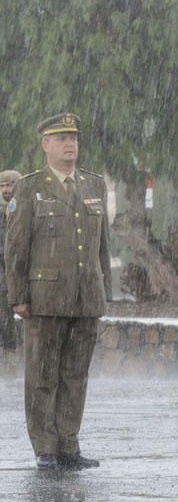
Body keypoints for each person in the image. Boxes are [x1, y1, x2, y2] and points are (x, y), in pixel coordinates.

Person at [4, 113, 111, 470]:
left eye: (74, 138)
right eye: (62, 138)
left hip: (85, 299)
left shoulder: (94, 186)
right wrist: (18, 295)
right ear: (45, 145)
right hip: (45, 299)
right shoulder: (30, 187)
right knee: (42, 376)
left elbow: (103, 248)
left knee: (75, 376)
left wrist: (103, 292)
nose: (70, 145)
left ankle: (69, 444)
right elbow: (16, 247)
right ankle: (45, 448)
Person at [0, 169, 22, 368]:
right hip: (4, 277)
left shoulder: (28, 208)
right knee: (4, 321)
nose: (7, 189)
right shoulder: (2, 212)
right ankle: (10, 366)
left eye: (10, 184)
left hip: (25, 273)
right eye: (3, 186)